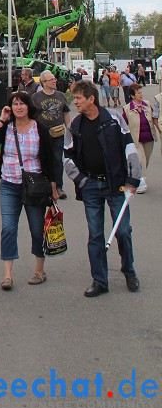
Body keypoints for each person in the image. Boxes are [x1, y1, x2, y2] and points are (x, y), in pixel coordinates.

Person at [64, 81, 141, 296]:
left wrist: (132, 180)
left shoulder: (113, 119)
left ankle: (129, 271)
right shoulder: (75, 126)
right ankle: (99, 280)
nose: (75, 102)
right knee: (95, 234)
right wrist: (80, 179)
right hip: (90, 186)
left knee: (123, 231)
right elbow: (67, 156)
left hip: (116, 184)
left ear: (91, 99)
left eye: (78, 98)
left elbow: (129, 148)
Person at [0, 91, 57, 290]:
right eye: (15, 104)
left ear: (29, 106)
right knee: (8, 228)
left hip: (34, 186)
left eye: (22, 104)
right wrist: (1, 119)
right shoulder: (7, 128)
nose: (18, 107)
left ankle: (39, 270)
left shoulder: (40, 129)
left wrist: (53, 185)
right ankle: (8, 275)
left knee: (36, 229)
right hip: (9, 184)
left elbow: (50, 160)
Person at [32, 71, 71, 199]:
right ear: (44, 83)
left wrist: (69, 129)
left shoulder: (61, 96)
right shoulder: (36, 98)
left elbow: (65, 113)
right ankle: (44, 185)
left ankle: (58, 187)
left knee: (57, 160)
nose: (54, 81)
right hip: (41, 135)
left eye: (54, 79)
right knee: (41, 159)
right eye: (51, 80)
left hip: (58, 133)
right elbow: (32, 116)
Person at [122, 82, 157, 193]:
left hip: (149, 138)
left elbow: (154, 118)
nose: (141, 94)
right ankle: (141, 183)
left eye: (141, 92)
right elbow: (123, 124)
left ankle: (138, 178)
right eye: (138, 93)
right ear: (132, 96)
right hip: (136, 139)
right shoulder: (127, 109)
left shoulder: (147, 104)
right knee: (141, 161)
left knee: (145, 161)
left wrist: (160, 130)